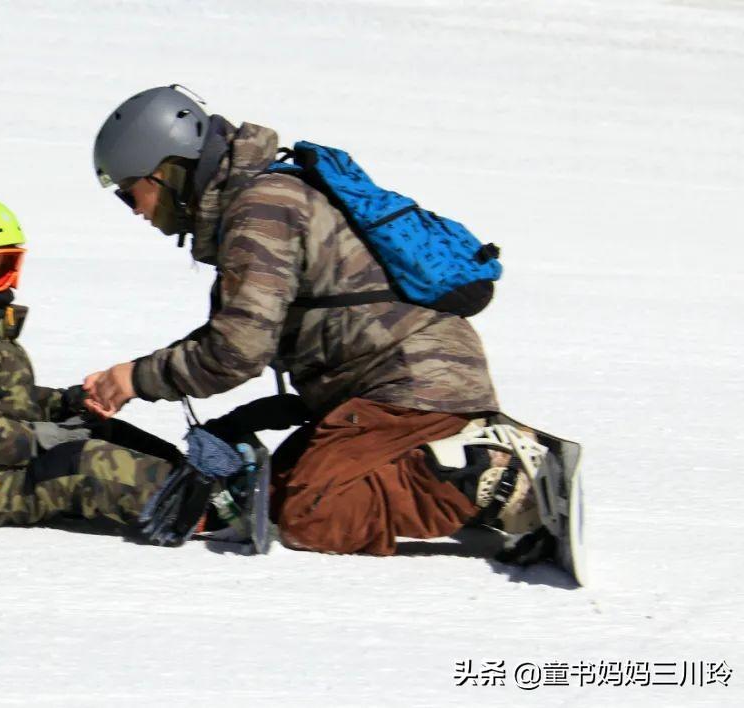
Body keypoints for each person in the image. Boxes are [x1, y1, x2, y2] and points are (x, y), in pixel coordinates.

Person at [84, 86, 556, 558]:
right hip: (393, 386)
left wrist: (137, 378)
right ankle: (480, 481)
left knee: (312, 513)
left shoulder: (260, 208)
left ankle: (497, 472)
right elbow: (241, 331)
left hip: (411, 385)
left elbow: (237, 351)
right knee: (277, 489)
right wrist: (134, 374)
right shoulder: (257, 201)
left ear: (165, 172)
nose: (138, 212)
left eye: (131, 195)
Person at [0, 193, 188, 530]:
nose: (10, 282)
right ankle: (195, 508)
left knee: (101, 431)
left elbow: (12, 398)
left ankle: (185, 475)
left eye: (12, 266)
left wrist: (64, 403)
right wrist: (44, 438)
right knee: (80, 463)